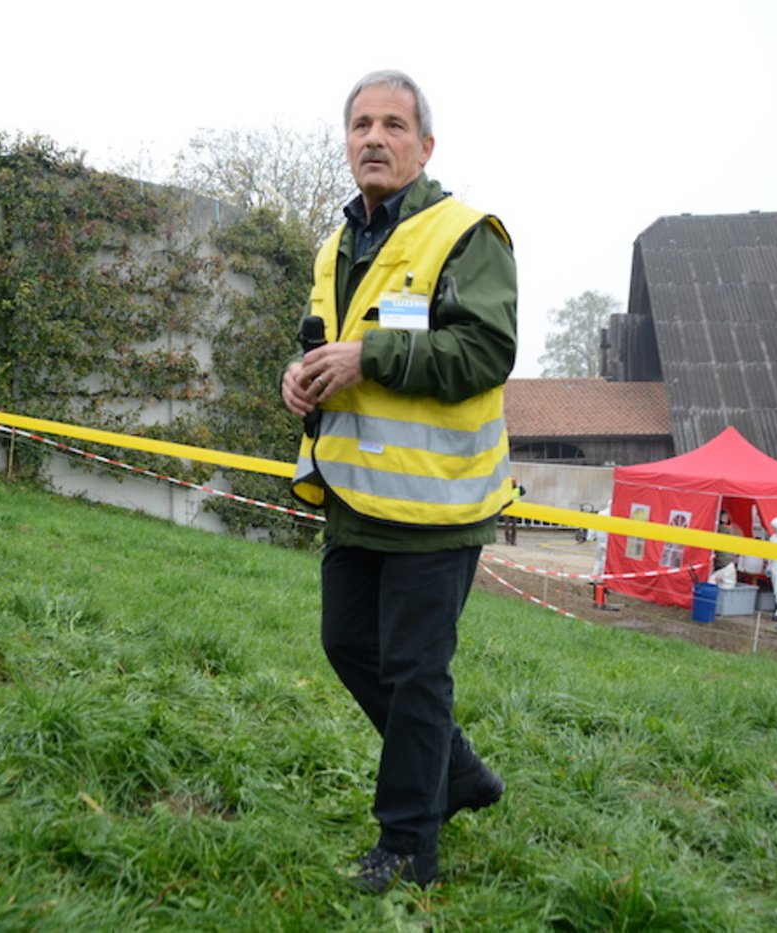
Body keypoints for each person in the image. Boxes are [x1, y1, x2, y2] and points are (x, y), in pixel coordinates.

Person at [282, 70, 516, 892]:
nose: (373, 137)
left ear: (425, 145)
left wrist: (369, 357)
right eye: (359, 124)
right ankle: (455, 772)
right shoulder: (337, 244)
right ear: (346, 143)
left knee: (417, 673)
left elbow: (487, 352)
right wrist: (302, 374)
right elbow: (335, 343)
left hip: (439, 501)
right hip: (356, 495)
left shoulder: (466, 232)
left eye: (391, 124)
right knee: (348, 643)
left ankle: (407, 847)